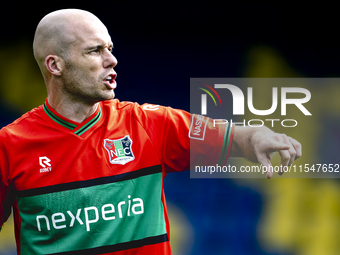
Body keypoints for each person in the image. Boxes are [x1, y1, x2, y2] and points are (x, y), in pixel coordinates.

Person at [0, 9, 301, 255]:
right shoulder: (10, 145)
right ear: (55, 65)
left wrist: (256, 136)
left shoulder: (147, 123)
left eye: (110, 49)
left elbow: (230, 136)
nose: (111, 60)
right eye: (94, 51)